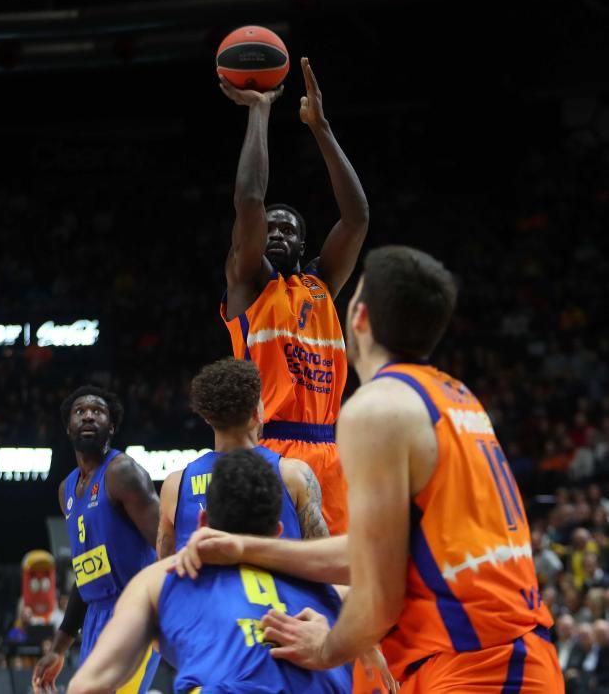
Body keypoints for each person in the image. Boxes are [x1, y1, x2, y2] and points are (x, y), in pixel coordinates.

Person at [175, 246, 565, 691]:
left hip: (478, 662)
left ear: (358, 318)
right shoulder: (454, 396)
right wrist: (245, 547)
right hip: (496, 652)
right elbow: (367, 553)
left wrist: (326, 647)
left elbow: (377, 593)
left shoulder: (376, 409)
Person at [220, 56, 369, 537]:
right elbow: (249, 201)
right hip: (268, 448)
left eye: (290, 229)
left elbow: (357, 219)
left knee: (337, 587)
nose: (278, 233)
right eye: (272, 227)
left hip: (329, 451)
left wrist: (321, 128)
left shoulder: (320, 285)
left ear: (303, 246)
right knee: (274, 577)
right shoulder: (248, 285)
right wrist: (259, 111)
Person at [68, 450, 354, 694]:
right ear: (279, 531)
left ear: (202, 521)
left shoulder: (162, 580)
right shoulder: (337, 597)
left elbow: (86, 686)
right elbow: (378, 563)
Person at [32, 385, 161, 692]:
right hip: (95, 619)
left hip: (136, 612)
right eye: (80, 412)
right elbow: (86, 572)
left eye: (98, 412)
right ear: (68, 427)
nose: (88, 416)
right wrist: (58, 648)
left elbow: (168, 548)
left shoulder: (123, 472)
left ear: (111, 427)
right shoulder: (67, 490)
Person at [156, 357, 328, 558]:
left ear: (207, 417)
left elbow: (164, 566)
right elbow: (323, 561)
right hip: (278, 589)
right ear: (257, 414)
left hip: (205, 588)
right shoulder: (295, 475)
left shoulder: (174, 485)